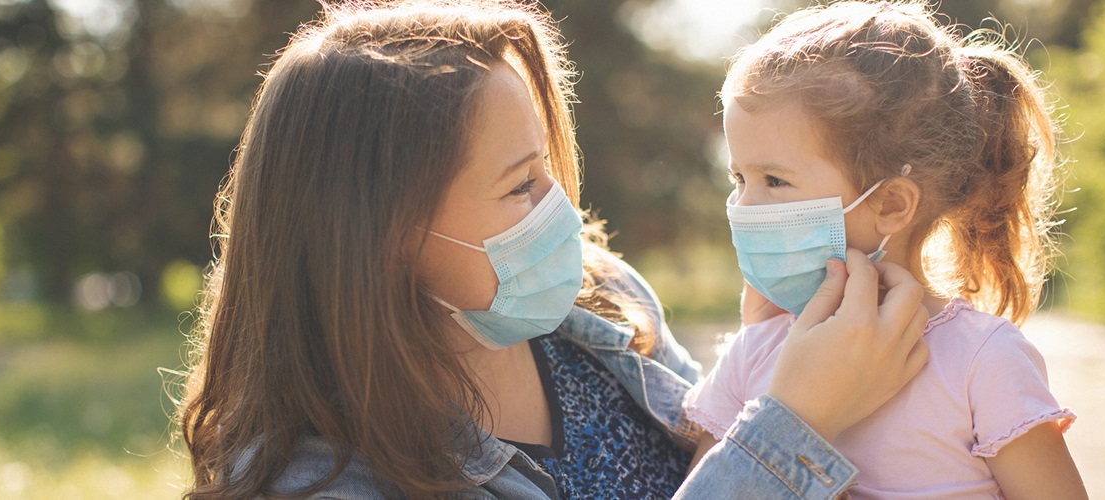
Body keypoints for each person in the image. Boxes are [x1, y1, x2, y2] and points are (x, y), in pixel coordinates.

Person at [175, 0, 929, 498]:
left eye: (547, 169)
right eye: (519, 187)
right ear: (382, 232)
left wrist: (761, 376)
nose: (562, 213)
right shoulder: (317, 477)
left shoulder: (608, 304)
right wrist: (789, 425)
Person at [683, 1, 1087, 498]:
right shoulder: (754, 352)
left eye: (774, 179)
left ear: (891, 204)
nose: (743, 206)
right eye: (738, 177)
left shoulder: (984, 360)